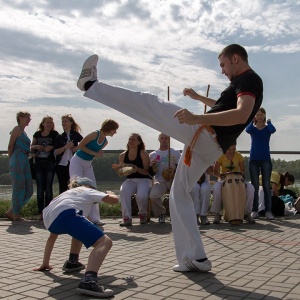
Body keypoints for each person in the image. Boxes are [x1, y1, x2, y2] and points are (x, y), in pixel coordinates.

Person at [77, 43, 263, 272]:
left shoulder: (249, 79)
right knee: (178, 195)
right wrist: (198, 98)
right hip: (209, 145)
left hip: (204, 135)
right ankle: (196, 257)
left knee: (150, 103)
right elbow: (225, 107)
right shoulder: (242, 83)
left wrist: (196, 118)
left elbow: (242, 114)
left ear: (236, 59)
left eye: (223, 64)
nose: (222, 70)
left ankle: (90, 85)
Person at [33, 177, 119, 298]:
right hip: (67, 214)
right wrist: (110, 194)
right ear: (91, 187)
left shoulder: (66, 194)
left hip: (49, 220)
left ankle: (72, 262)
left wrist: (45, 263)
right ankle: (89, 281)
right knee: (105, 242)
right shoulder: (87, 190)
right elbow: (114, 201)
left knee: (81, 226)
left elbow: (52, 237)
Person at [69, 119, 119, 225]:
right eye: (115, 129)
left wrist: (99, 154)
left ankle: (95, 219)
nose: (115, 132)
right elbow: (80, 145)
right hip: (77, 161)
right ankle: (77, 216)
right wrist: (94, 153)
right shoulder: (94, 134)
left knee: (93, 188)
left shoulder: (105, 142)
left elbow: (96, 152)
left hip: (88, 164)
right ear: (109, 128)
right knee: (76, 187)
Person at [210, 144, 255, 224]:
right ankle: (217, 213)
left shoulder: (239, 156)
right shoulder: (221, 155)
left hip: (237, 179)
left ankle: (247, 213)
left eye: (233, 149)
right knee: (216, 188)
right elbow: (215, 172)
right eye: (230, 149)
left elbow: (243, 170)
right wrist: (221, 175)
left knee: (251, 188)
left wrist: (238, 173)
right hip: (224, 179)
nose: (232, 151)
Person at [245, 107, 276, 220]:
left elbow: (273, 130)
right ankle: (255, 210)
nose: (259, 116)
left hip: (265, 160)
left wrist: (269, 122)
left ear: (264, 116)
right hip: (253, 160)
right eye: (257, 115)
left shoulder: (268, 128)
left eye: (261, 115)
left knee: (267, 186)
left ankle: (268, 211)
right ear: (255, 117)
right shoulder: (252, 129)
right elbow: (247, 130)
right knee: (255, 186)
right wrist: (252, 121)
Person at [116, 133, 152, 226]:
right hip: (130, 180)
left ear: (138, 142)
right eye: (130, 139)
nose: (131, 141)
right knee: (123, 191)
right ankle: (127, 218)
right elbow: (122, 172)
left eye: (133, 140)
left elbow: (147, 172)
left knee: (141, 196)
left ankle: (142, 214)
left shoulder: (143, 154)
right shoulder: (123, 155)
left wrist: (137, 169)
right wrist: (118, 169)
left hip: (144, 179)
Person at [5, 111, 33, 221]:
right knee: (18, 186)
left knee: (29, 189)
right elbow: (10, 145)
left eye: (29, 118)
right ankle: (15, 213)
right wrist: (11, 160)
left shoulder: (24, 132)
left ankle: (12, 211)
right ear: (20, 118)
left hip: (25, 159)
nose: (29, 120)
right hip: (17, 158)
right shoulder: (17, 129)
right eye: (27, 117)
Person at [148, 133, 181, 223]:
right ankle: (161, 213)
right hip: (160, 180)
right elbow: (151, 173)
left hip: (173, 180)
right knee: (153, 196)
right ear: (159, 139)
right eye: (162, 138)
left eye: (166, 138)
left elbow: (181, 168)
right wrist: (152, 166)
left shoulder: (175, 152)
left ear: (169, 139)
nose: (164, 140)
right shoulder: (153, 155)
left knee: (179, 194)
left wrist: (173, 170)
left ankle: (176, 214)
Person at [31, 116, 59, 220]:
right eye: (47, 122)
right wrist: (36, 147)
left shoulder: (55, 134)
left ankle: (48, 212)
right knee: (39, 188)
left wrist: (51, 147)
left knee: (48, 188)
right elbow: (31, 146)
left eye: (51, 123)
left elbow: (58, 146)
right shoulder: (37, 134)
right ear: (43, 123)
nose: (49, 124)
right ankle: (40, 213)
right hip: (38, 163)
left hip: (50, 163)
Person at [54, 114, 83, 194]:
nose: (63, 123)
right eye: (62, 121)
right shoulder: (59, 136)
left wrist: (77, 148)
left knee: (73, 186)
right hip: (61, 165)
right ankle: (63, 205)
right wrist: (65, 147)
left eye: (66, 121)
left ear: (71, 123)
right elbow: (55, 152)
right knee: (62, 187)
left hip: (73, 164)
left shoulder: (76, 135)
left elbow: (85, 144)